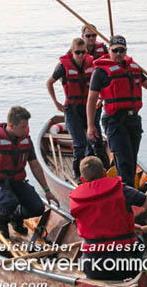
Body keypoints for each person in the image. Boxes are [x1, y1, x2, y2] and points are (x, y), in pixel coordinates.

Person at [86, 35, 147, 187]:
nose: (119, 53)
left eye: (122, 50)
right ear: (109, 50)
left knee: (132, 159)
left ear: (126, 51)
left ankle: (129, 192)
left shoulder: (134, 68)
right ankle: (127, 197)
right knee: (124, 160)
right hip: (114, 120)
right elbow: (91, 99)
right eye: (115, 50)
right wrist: (91, 126)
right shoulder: (100, 72)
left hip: (133, 120)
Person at [0, 106, 59, 239]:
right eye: (23, 126)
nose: (26, 129)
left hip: (18, 182)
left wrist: (47, 190)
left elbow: (35, 166)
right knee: (10, 202)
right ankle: (0, 222)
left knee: (38, 207)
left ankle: (15, 217)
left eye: (27, 126)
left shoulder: (25, 140)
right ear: (11, 126)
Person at [46, 38, 109, 181]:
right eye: (77, 53)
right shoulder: (63, 66)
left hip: (89, 108)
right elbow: (49, 83)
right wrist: (56, 102)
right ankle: (78, 175)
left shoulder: (93, 64)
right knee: (80, 144)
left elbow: (105, 82)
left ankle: (106, 170)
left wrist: (101, 99)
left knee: (98, 141)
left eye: (83, 52)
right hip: (72, 110)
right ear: (72, 51)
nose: (80, 56)